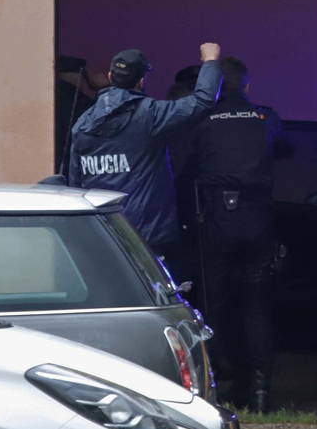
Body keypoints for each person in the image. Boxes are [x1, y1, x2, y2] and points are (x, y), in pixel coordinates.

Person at [187, 56, 293, 411]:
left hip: (214, 222)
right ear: (246, 85)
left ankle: (216, 390)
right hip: (257, 223)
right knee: (256, 308)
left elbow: (183, 167)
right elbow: (285, 148)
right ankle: (261, 394)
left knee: (212, 309)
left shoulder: (199, 118)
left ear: (214, 86)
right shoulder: (265, 117)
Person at [67, 44, 222, 271]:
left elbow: (75, 186)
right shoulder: (150, 115)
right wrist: (210, 62)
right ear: (141, 81)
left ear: (110, 77)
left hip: (104, 234)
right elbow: (202, 102)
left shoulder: (82, 123)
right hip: (147, 238)